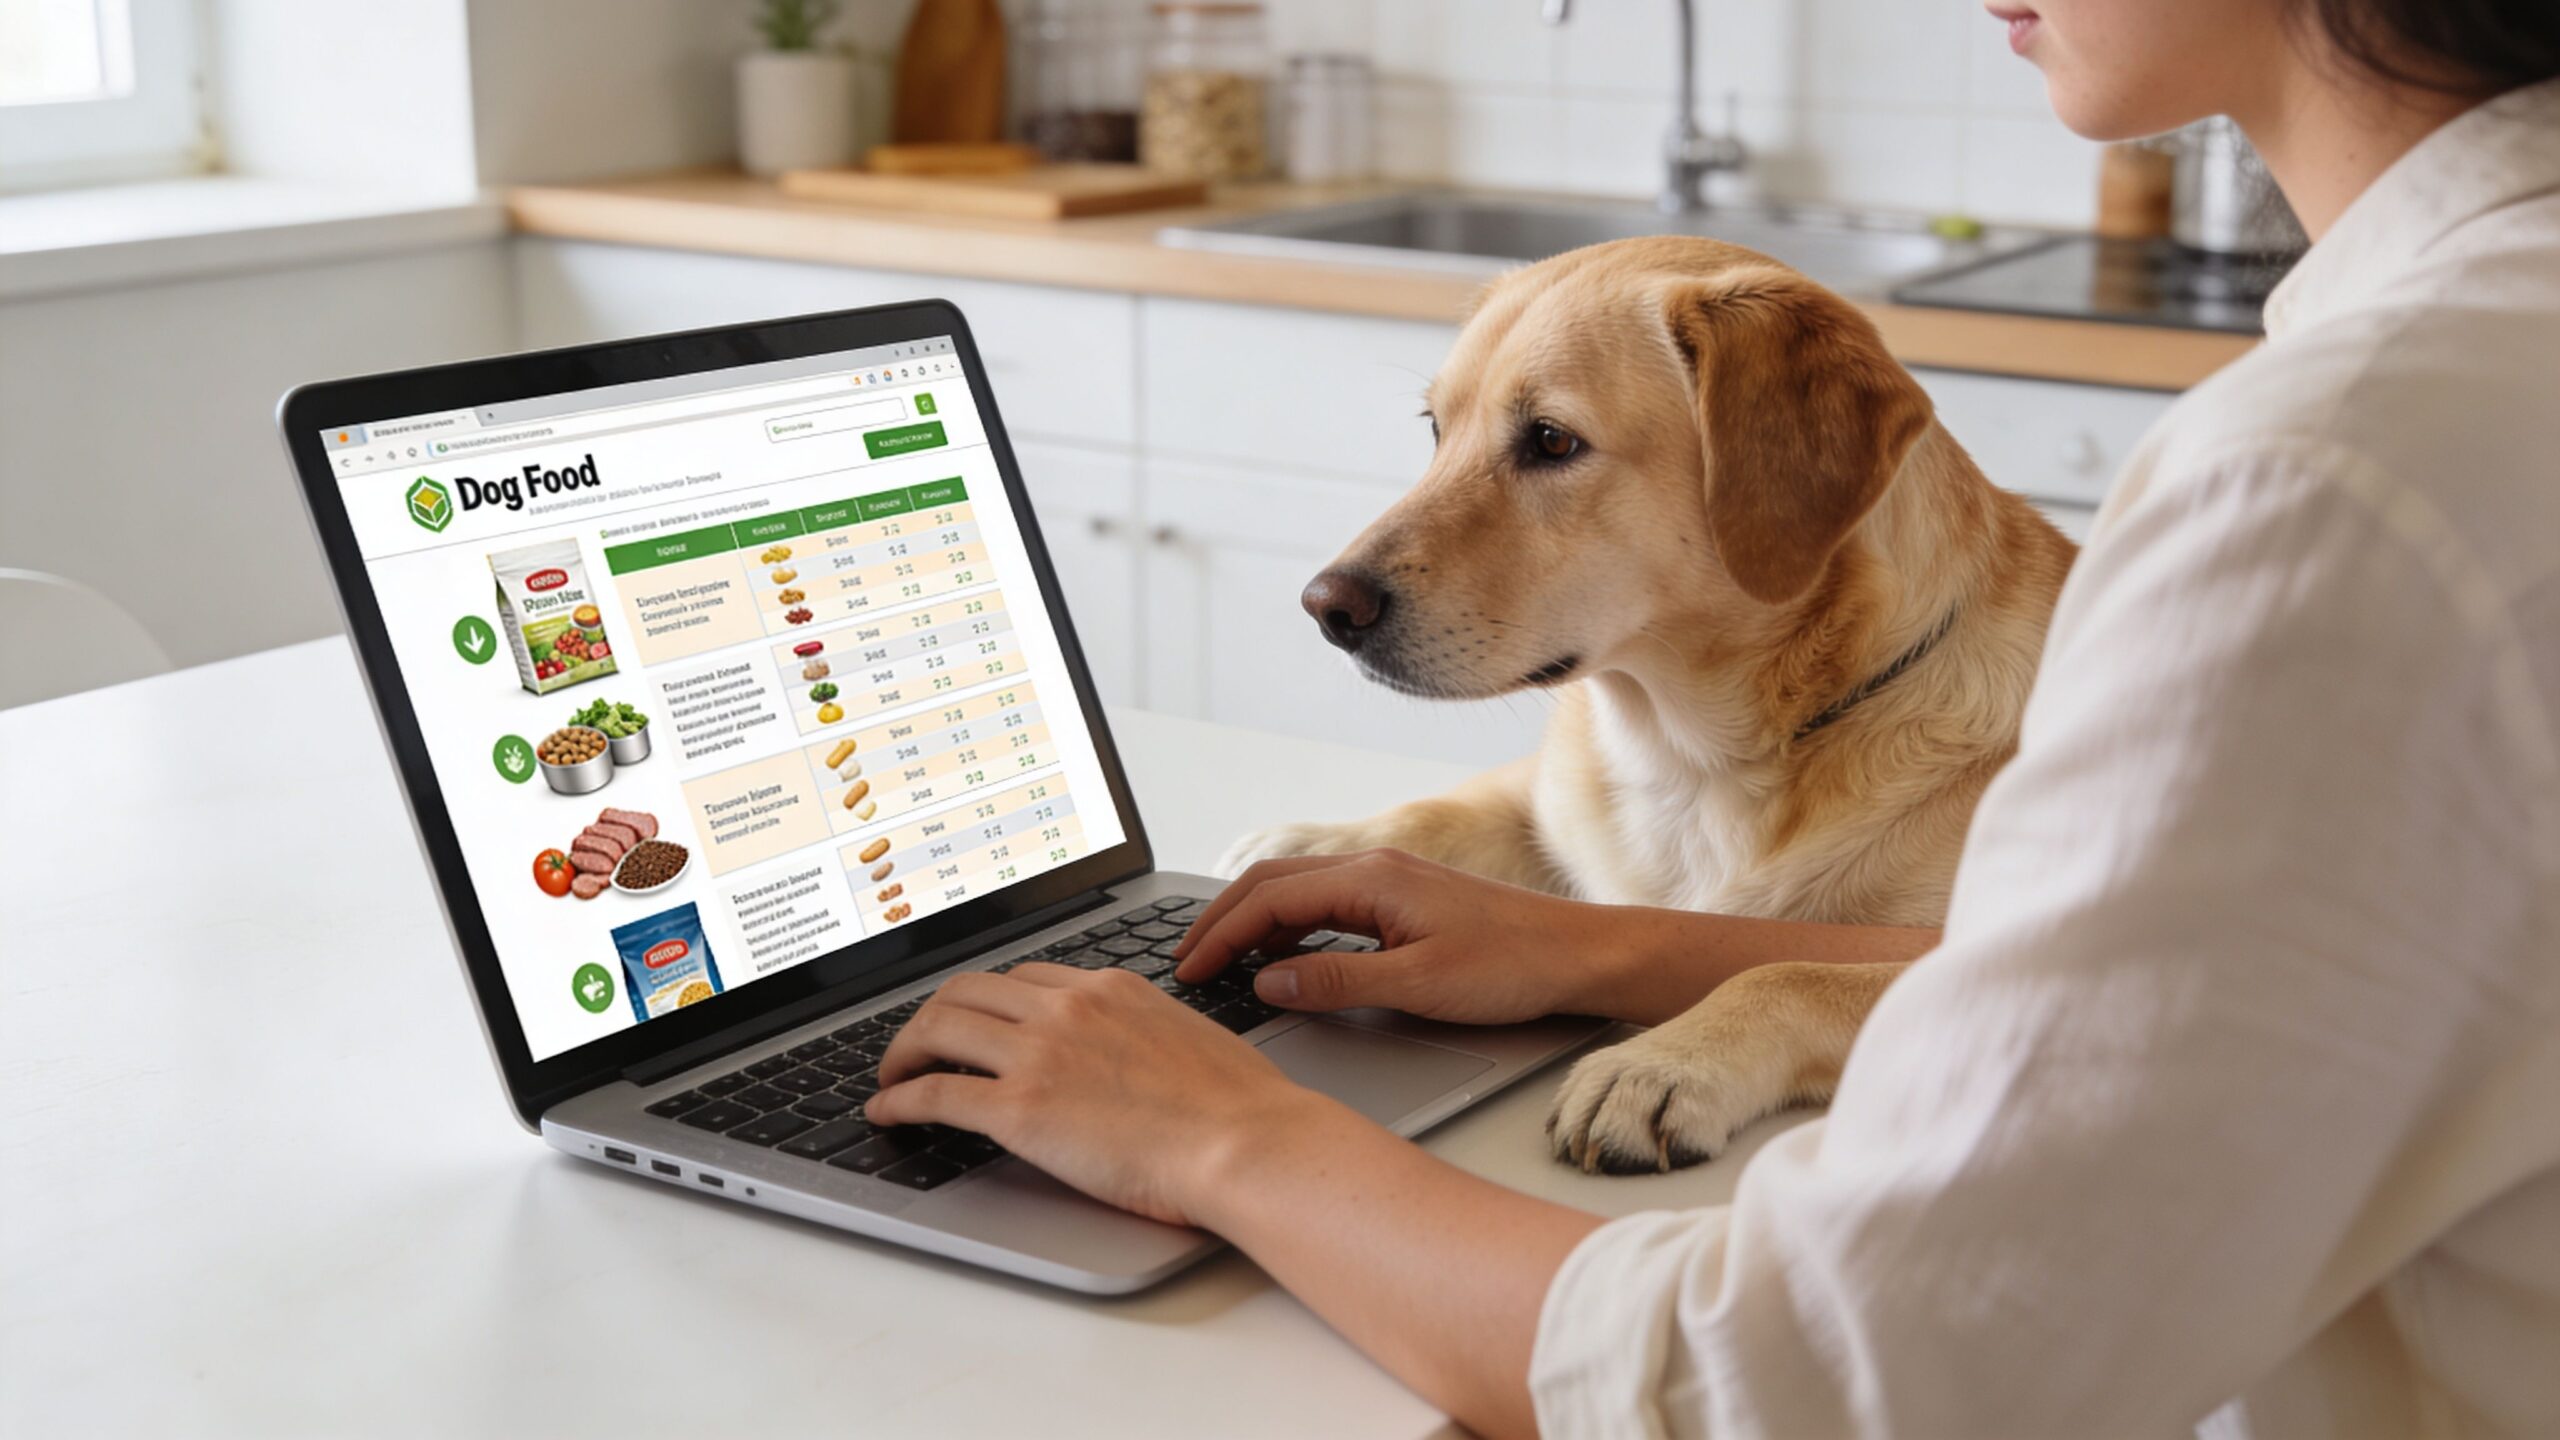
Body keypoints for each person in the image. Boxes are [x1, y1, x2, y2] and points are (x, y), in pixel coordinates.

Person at [865, 1, 2560, 1433]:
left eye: (1541, 450)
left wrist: (1224, 1135)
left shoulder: (2335, 488)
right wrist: (1603, 951)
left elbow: (1855, 1368)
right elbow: (2207, 1011)